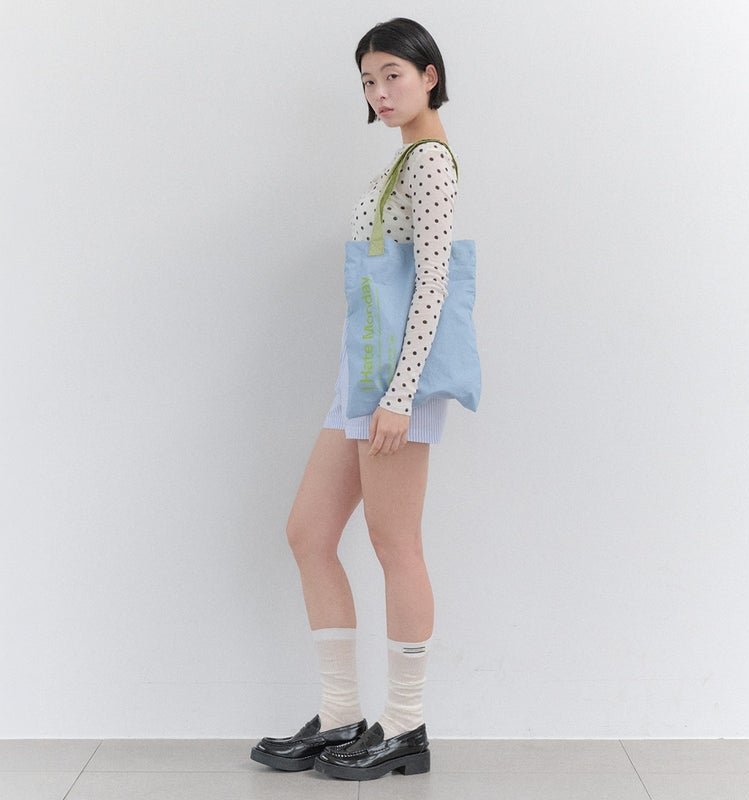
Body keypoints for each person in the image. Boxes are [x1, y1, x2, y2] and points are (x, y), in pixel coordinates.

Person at [251, 17, 458, 781]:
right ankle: (341, 715)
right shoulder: (401, 161)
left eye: (392, 75)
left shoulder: (430, 161)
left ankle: (404, 726)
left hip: (398, 383)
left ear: (429, 74)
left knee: (394, 543)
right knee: (309, 532)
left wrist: (399, 395)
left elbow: (432, 286)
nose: (379, 92)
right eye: (369, 80)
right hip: (362, 377)